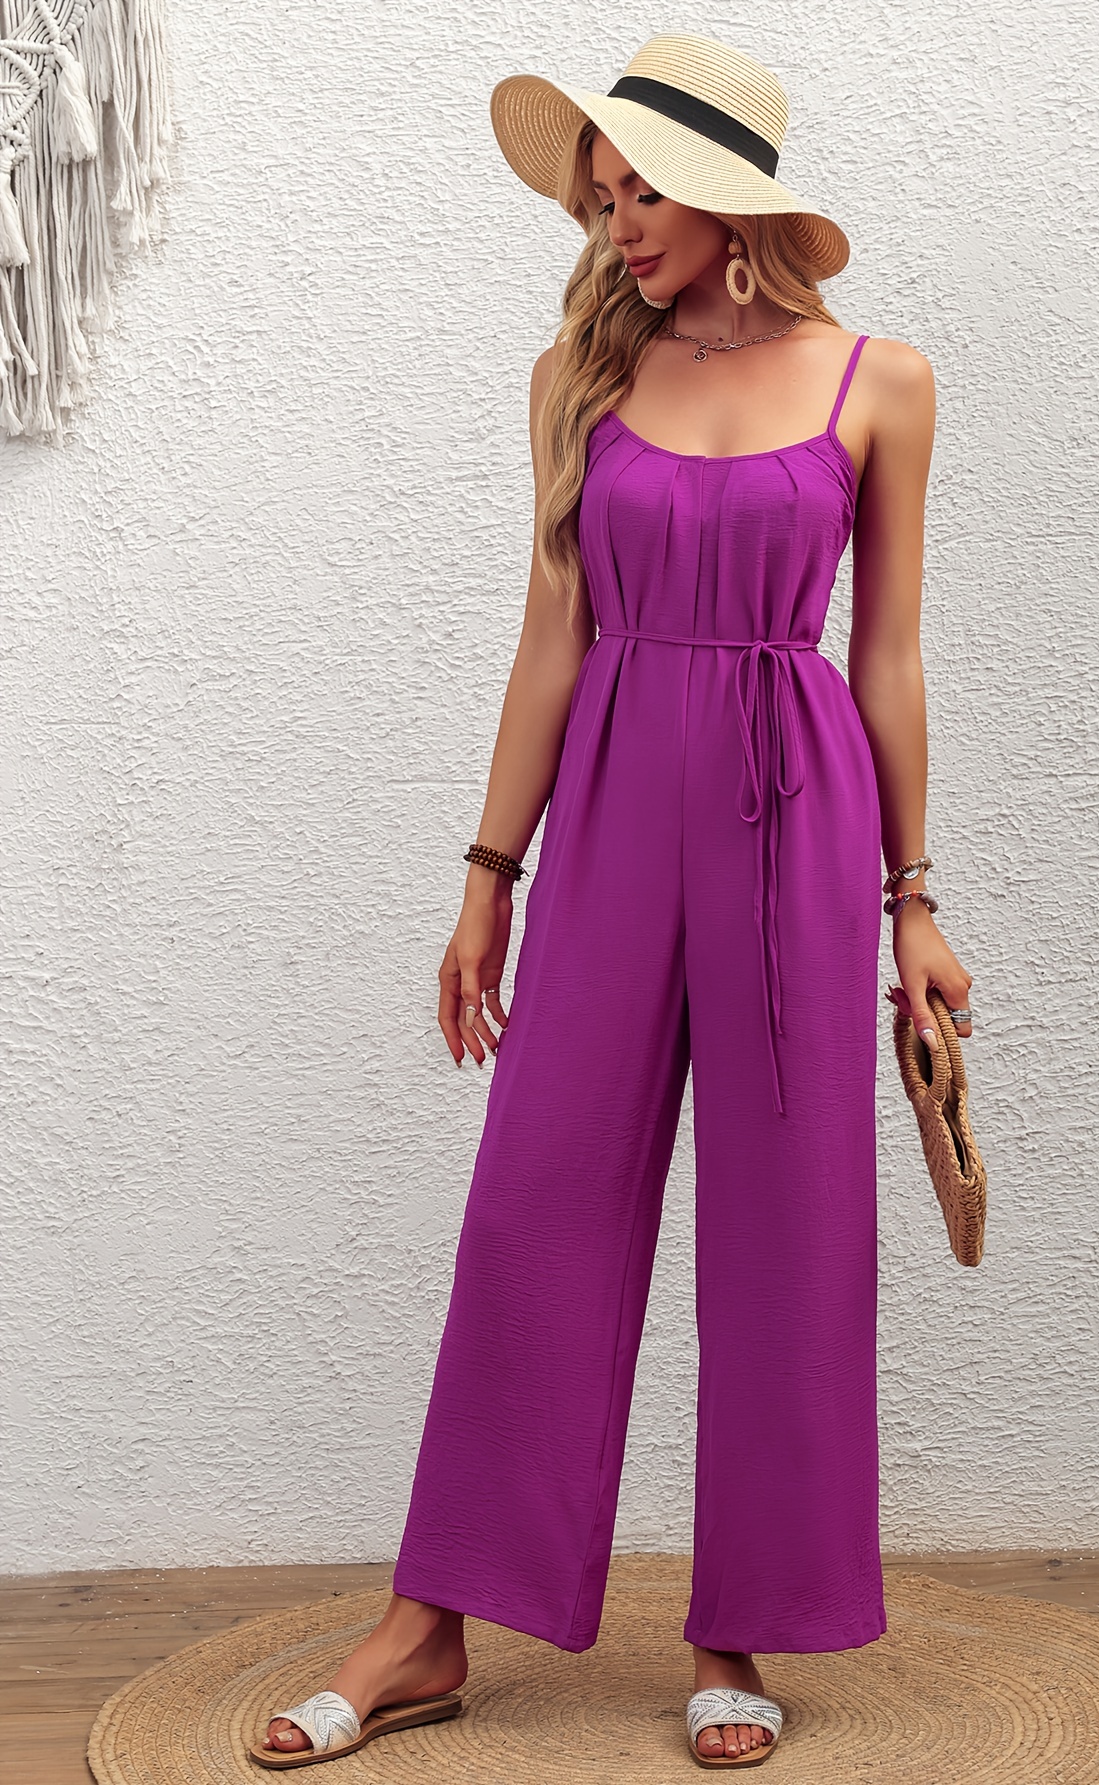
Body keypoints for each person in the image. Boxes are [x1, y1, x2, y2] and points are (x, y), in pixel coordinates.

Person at [251, 30, 974, 1773]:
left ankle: (736, 1624)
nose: (616, 220)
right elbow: (551, 639)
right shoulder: (576, 377)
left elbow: (885, 655)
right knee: (537, 1196)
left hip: (797, 812)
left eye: (645, 189)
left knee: (789, 1217)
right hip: (616, 804)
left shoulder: (881, 381)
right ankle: (431, 1620)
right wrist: (487, 875)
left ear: (730, 199)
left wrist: (914, 899)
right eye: (602, 194)